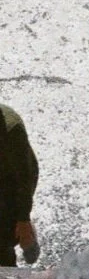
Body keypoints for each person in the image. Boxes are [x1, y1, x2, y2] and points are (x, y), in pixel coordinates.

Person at [0, 106, 40, 268]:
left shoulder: (11, 129)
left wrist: (23, 219)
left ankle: (25, 235)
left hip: (11, 178)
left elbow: (24, 177)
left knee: (4, 239)